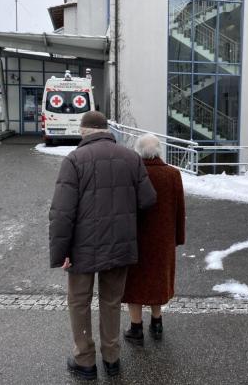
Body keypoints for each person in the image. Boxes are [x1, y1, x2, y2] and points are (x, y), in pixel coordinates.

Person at [48, 111, 157, 380]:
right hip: (119, 245)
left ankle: (85, 361)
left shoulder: (74, 160)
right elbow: (147, 200)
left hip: (81, 248)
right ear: (106, 130)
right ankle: (112, 359)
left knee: (79, 302)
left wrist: (60, 253)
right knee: (111, 301)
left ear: (84, 131)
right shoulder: (131, 158)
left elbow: (62, 212)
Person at [122, 134, 186, 345]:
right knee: (158, 281)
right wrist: (178, 237)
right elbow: (179, 210)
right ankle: (157, 323)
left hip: (136, 240)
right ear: (159, 150)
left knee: (135, 283)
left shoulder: (132, 174)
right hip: (163, 240)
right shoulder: (173, 174)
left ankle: (136, 328)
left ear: (139, 152)